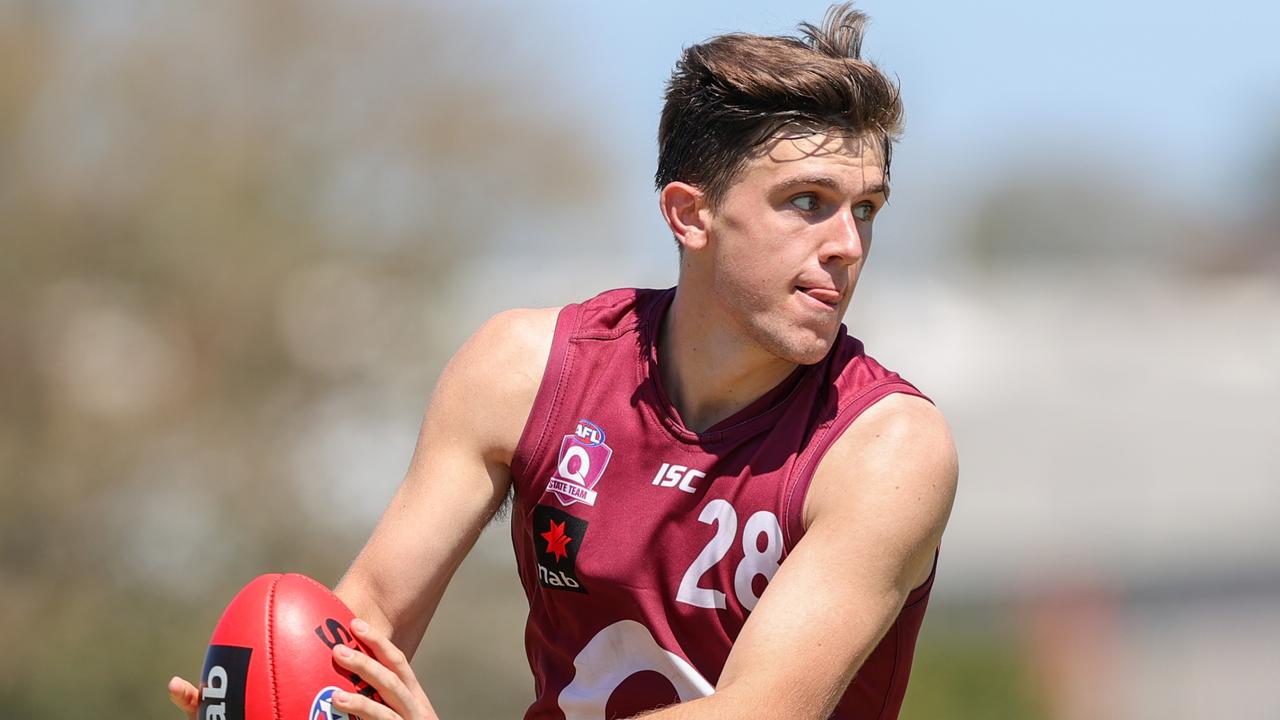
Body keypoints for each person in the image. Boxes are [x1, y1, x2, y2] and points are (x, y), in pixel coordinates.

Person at [169, 3, 957, 718]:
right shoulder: (523, 370)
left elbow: (758, 713)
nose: (848, 246)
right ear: (691, 215)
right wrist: (281, 695)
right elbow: (368, 616)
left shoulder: (888, 449)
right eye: (807, 203)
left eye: (866, 210)